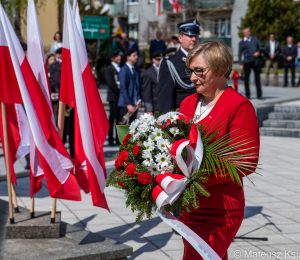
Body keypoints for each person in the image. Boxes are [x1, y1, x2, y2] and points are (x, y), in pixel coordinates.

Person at [180, 40, 260, 260]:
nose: (192, 78)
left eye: (199, 71)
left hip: (220, 209)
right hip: (190, 205)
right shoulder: (188, 103)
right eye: (190, 71)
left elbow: (245, 161)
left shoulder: (238, 106)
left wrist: (194, 176)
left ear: (221, 69)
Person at [157, 19, 200, 114]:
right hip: (181, 118)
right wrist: (168, 123)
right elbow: (165, 98)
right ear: (180, 38)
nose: (193, 39)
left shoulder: (204, 60)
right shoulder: (170, 63)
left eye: (196, 36)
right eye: (190, 36)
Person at [118, 48, 141, 124]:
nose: (136, 57)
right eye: (134, 55)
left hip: (134, 105)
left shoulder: (135, 70)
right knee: (122, 127)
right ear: (128, 57)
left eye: (136, 55)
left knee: (132, 127)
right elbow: (123, 88)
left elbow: (137, 87)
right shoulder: (124, 70)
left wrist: (139, 100)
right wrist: (128, 104)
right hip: (125, 104)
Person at [238, 28, 262, 99]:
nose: (247, 33)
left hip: (255, 61)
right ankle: (248, 95)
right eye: (246, 32)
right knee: (246, 79)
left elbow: (260, 47)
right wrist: (240, 64)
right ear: (244, 34)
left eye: (248, 31)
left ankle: (259, 95)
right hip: (247, 61)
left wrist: (258, 52)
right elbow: (239, 54)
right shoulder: (241, 42)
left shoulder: (255, 39)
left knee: (257, 78)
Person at [105, 50, 121, 146]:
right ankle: (111, 138)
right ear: (112, 58)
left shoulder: (120, 68)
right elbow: (111, 84)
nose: (119, 58)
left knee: (119, 118)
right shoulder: (109, 69)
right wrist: (121, 92)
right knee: (112, 118)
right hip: (114, 96)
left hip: (120, 97)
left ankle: (118, 139)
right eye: (117, 56)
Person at [141, 51, 163, 115]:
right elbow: (146, 92)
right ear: (153, 59)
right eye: (158, 59)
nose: (160, 61)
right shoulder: (147, 73)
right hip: (154, 107)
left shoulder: (165, 71)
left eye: (162, 59)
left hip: (164, 106)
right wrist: (149, 109)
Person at [48, 47, 63, 123]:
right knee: (56, 109)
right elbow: (55, 79)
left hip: (66, 90)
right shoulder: (54, 66)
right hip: (57, 89)